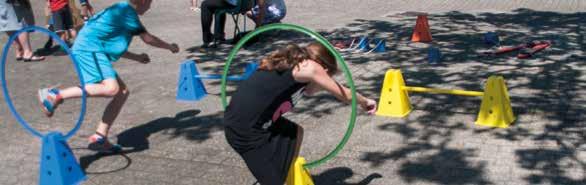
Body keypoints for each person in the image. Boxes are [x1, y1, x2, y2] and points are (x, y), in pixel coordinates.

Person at [37, 0, 180, 153]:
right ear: (142, 1)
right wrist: (170, 47)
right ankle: (54, 95)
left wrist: (137, 57)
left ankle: (100, 137)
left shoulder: (121, 10)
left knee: (122, 93)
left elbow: (110, 45)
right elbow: (148, 39)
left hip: (95, 49)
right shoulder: (127, 13)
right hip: (89, 49)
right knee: (112, 89)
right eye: (150, 2)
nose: (150, 6)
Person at [224, 43, 377, 184]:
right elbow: (346, 95)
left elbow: (310, 91)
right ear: (323, 68)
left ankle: (286, 170)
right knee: (274, 182)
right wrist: (365, 102)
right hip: (244, 131)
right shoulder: (309, 67)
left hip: (256, 122)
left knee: (295, 131)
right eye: (328, 76)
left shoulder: (298, 68)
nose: (326, 81)